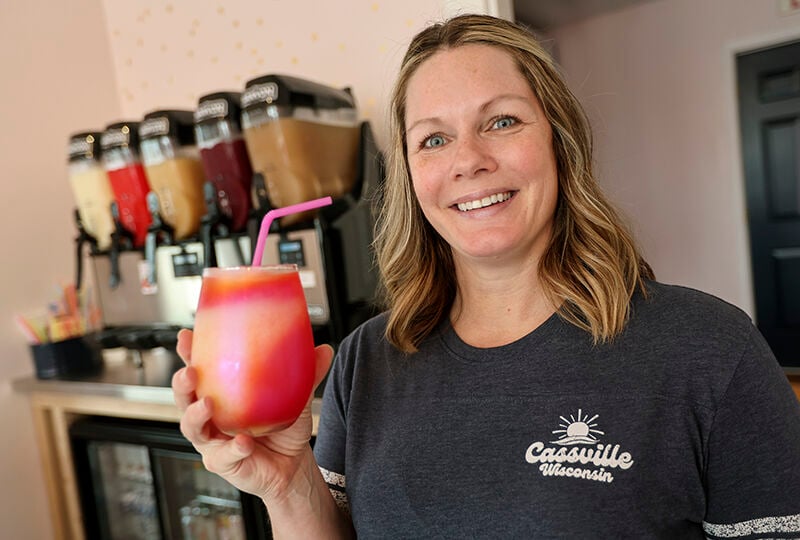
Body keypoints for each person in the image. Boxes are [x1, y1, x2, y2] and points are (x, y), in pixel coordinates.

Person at [173, 13, 800, 538]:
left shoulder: (708, 348)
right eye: (433, 139)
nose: (468, 161)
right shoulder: (366, 361)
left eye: (501, 121)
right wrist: (287, 487)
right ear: (412, 179)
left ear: (559, 140)